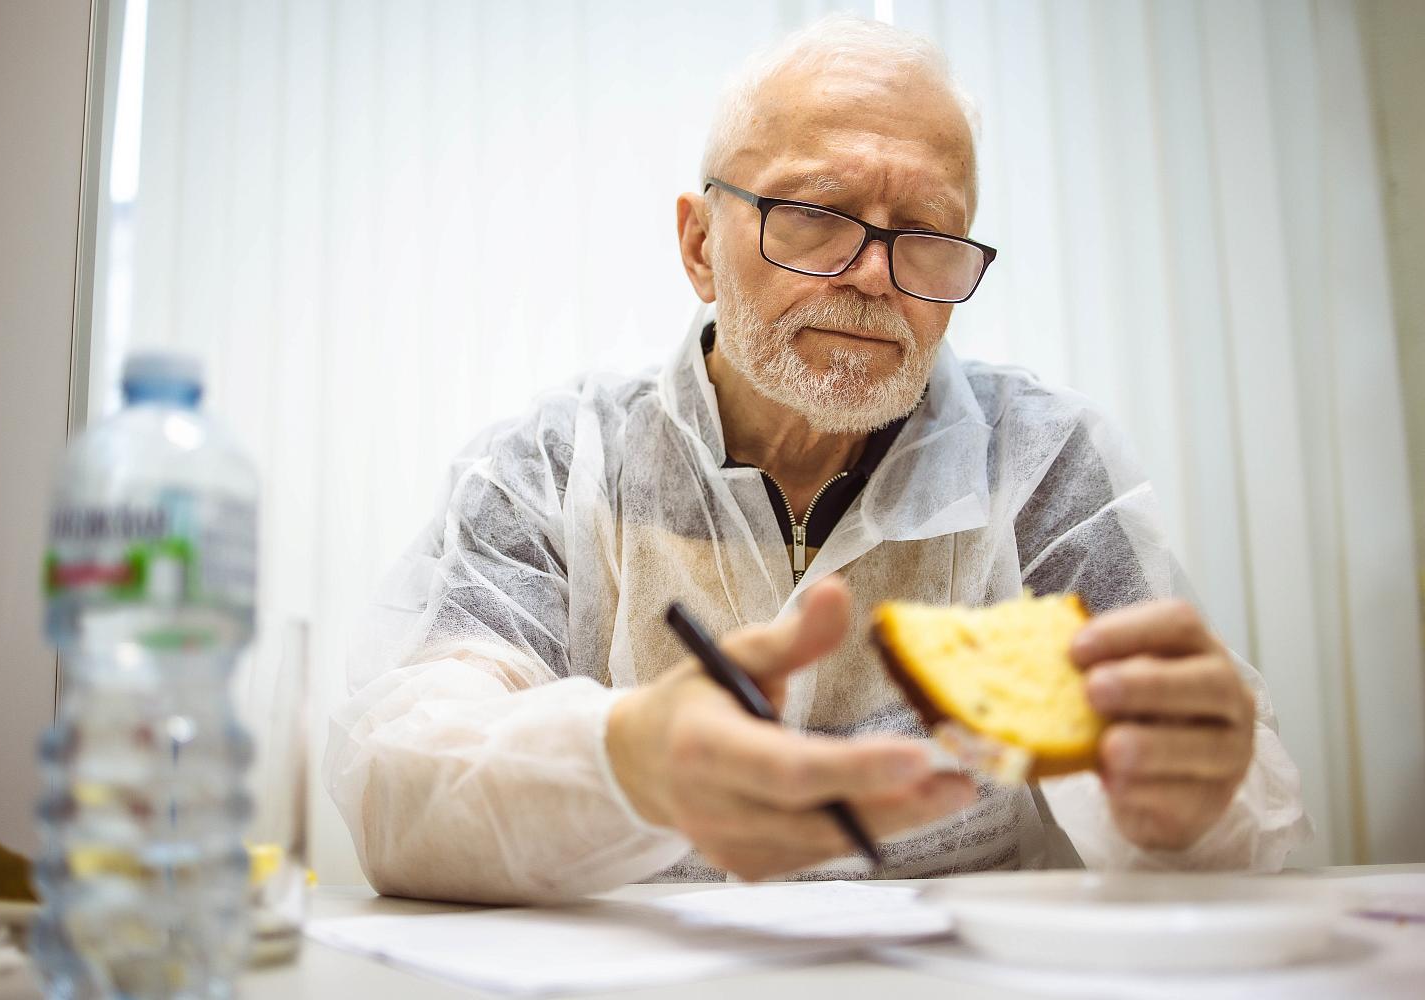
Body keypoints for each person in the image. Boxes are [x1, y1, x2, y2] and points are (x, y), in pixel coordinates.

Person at [325, 15, 1310, 904]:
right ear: (701, 243)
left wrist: (1191, 803)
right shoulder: (560, 461)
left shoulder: (1037, 463)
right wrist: (628, 758)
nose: (876, 275)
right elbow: (401, 780)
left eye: (928, 233)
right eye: (816, 214)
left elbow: (1230, 818)